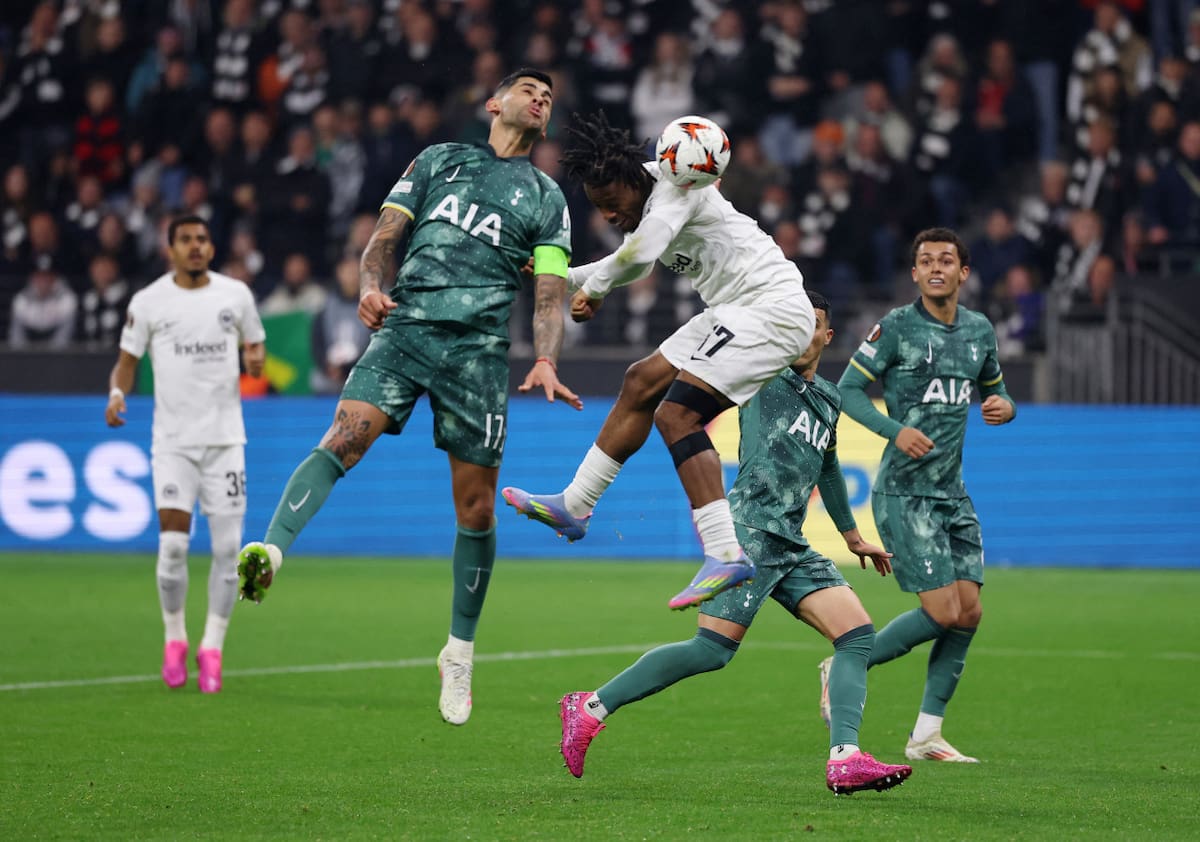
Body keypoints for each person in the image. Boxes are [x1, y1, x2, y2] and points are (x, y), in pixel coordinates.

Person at [235, 68, 578, 726]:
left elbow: (551, 290)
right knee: (343, 437)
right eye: (530, 90)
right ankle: (271, 550)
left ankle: (458, 652)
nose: (541, 99)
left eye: (549, 98)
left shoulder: (546, 196)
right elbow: (384, 237)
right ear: (493, 102)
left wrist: (544, 357)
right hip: (406, 328)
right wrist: (370, 284)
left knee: (476, 508)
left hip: (477, 354)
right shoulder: (437, 161)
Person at [557, 292, 913, 795]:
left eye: (813, 326)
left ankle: (845, 758)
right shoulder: (761, 375)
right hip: (749, 532)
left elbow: (827, 466)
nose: (803, 334)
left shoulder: (830, 400)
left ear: (827, 336)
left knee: (856, 635)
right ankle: (588, 707)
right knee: (711, 651)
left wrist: (852, 537)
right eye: (796, 323)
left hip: (790, 541)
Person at [501, 111, 816, 610]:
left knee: (676, 414)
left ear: (635, 181)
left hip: (769, 310)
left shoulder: (675, 189)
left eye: (611, 204)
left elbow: (640, 255)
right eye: (598, 207)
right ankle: (575, 505)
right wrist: (562, 275)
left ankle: (724, 552)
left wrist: (589, 286)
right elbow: (629, 253)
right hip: (736, 309)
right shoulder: (664, 186)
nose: (607, 215)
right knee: (641, 381)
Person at [833, 227, 1017, 763]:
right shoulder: (896, 328)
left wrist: (1004, 406)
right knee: (941, 611)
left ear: (963, 272)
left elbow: (996, 391)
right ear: (914, 274)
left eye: (946, 260)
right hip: (905, 492)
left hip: (951, 493)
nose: (936, 267)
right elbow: (846, 390)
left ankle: (926, 735)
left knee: (971, 612)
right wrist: (896, 431)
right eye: (925, 261)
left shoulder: (980, 331)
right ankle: (846, 663)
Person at [105, 215, 266, 693]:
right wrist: (117, 395)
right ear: (169, 248)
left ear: (211, 248)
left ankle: (211, 647)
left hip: (225, 443)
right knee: (173, 545)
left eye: (202, 240)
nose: (195, 247)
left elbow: (255, 344)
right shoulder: (149, 302)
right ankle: (174, 637)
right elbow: (126, 364)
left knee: (225, 550)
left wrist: (254, 358)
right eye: (185, 240)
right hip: (173, 443)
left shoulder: (235, 295)